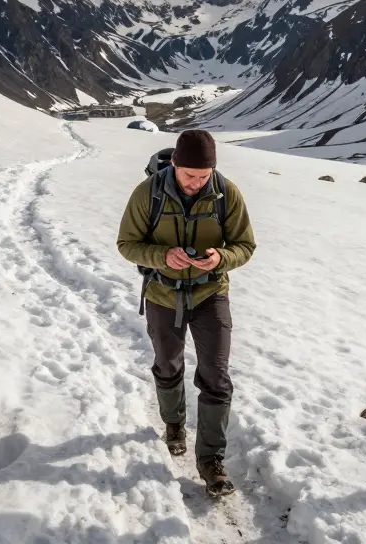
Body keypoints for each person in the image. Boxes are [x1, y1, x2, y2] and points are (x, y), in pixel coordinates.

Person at [115, 129, 256, 496]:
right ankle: (174, 423)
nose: (196, 183)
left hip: (211, 294)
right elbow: (127, 244)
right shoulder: (148, 194)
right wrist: (162, 257)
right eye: (190, 175)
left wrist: (220, 258)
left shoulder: (227, 194)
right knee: (168, 364)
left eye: (203, 176)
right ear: (174, 163)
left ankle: (211, 462)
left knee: (216, 374)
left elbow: (245, 245)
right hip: (163, 294)